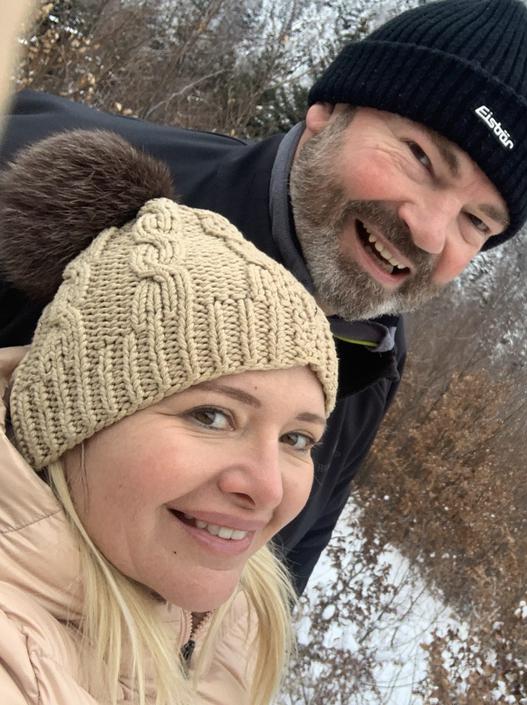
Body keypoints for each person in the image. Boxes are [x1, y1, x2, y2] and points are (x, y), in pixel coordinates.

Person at [0, 0, 527, 593]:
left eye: (476, 221)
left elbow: (278, 582)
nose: (429, 233)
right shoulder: (63, 182)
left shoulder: (371, 354)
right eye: (421, 158)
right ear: (329, 111)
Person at [0, 131, 339, 704]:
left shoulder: (237, 616)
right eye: (212, 415)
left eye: (297, 438)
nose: (268, 488)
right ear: (73, 419)